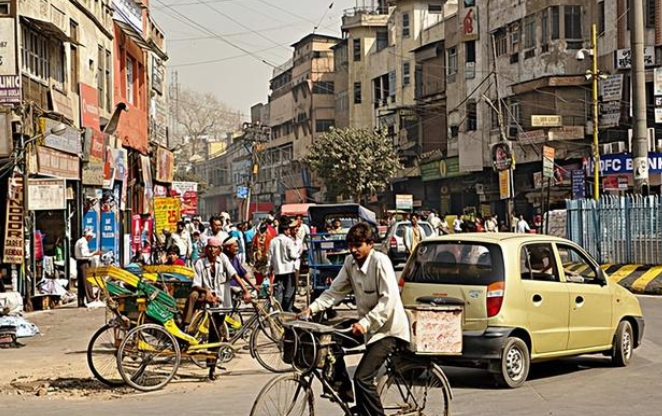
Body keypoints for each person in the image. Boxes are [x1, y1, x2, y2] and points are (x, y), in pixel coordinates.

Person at [299, 223, 410, 416]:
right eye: (351, 245)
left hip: (389, 330)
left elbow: (388, 301)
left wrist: (365, 324)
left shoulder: (380, 262)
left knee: (362, 378)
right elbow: (335, 292)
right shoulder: (350, 263)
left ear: (370, 244)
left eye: (358, 245)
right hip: (366, 325)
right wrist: (311, 308)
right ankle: (343, 390)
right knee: (329, 339)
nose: (353, 250)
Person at [183, 237, 251, 380]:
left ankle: (212, 365)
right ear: (206, 249)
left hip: (222, 300)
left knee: (215, 334)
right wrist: (206, 292)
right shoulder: (200, 263)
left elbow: (235, 275)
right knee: (213, 334)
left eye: (215, 248)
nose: (213, 250)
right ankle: (211, 364)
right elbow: (195, 284)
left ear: (219, 249)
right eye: (210, 248)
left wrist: (246, 290)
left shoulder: (223, 259)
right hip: (207, 302)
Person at [268, 216, 299, 312]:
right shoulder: (288, 241)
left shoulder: (272, 242)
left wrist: (270, 269)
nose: (289, 232)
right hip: (289, 270)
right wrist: (298, 253)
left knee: (278, 293)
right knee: (289, 293)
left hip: (278, 271)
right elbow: (293, 255)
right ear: (285, 230)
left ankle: (278, 311)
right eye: (288, 230)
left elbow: (270, 257)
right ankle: (288, 311)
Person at [74, 229, 102, 308]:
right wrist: (94, 253)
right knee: (87, 282)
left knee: (81, 284)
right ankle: (91, 299)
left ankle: (81, 301)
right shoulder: (83, 242)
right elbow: (84, 254)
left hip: (79, 263)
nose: (90, 239)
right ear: (88, 236)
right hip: (83, 263)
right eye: (90, 237)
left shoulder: (79, 241)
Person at [252, 222, 273, 286]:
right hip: (262, 257)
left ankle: (263, 287)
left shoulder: (258, 235)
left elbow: (253, 245)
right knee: (263, 273)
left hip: (263, 257)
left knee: (262, 273)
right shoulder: (268, 234)